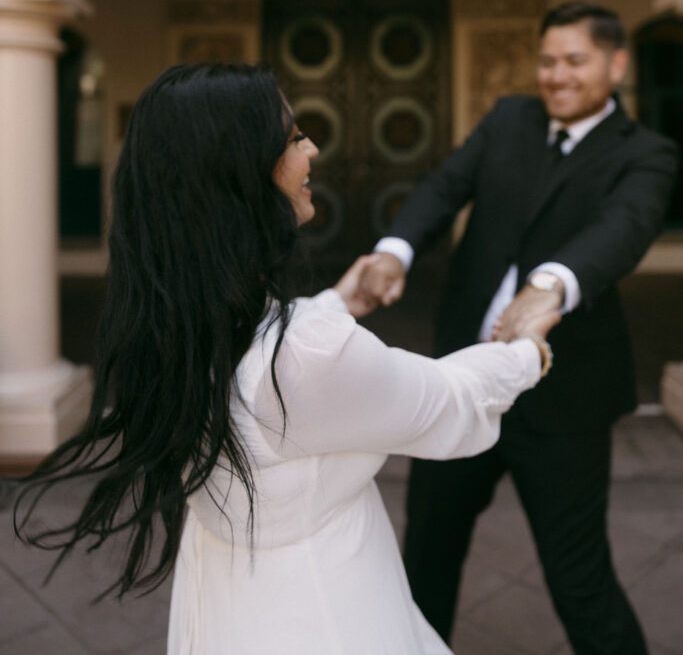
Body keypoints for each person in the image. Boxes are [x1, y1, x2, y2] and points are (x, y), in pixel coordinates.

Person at [13, 61, 558, 655]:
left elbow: (267, 363)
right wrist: (528, 349)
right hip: (327, 614)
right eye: (295, 136)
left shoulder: (173, 322)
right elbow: (449, 402)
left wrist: (336, 303)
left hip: (234, 604)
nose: (313, 149)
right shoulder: (304, 356)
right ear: (241, 173)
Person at [363, 1, 679, 654]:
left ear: (615, 64)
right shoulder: (509, 118)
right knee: (424, 557)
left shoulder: (646, 152)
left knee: (578, 579)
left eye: (573, 60)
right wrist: (393, 250)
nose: (555, 75)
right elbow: (443, 185)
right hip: (458, 386)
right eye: (546, 60)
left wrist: (550, 284)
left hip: (562, 400)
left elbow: (622, 228)